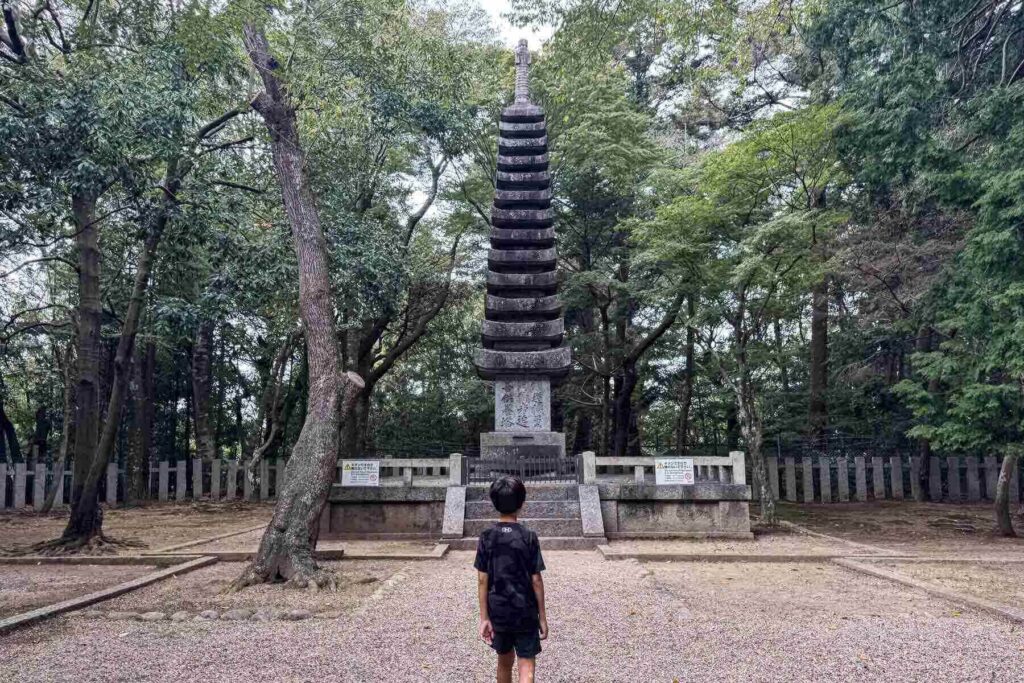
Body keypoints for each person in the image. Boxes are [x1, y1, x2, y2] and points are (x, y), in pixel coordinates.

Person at [474, 475, 548, 683]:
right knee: (526, 665)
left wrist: (484, 617)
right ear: (522, 503)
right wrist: (542, 616)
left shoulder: (487, 537)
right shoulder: (528, 536)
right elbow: (536, 580)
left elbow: (482, 580)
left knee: (504, 663)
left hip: (499, 611)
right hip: (525, 611)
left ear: (494, 503)